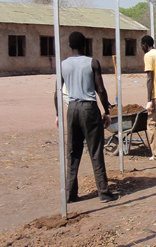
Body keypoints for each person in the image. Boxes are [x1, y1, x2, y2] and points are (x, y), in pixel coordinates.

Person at [55, 31, 118, 203]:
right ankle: (104, 193)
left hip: (72, 109)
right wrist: (107, 111)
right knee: (95, 151)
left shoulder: (63, 65)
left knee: (73, 153)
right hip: (89, 109)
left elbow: (57, 92)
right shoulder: (92, 63)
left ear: (69, 45)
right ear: (85, 45)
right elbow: (101, 90)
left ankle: (70, 194)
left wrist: (57, 114)